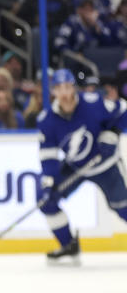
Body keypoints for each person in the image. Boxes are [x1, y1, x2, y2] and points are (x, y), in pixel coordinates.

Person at [37, 68, 127, 263]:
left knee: (123, 209)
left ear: (74, 89)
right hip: (76, 168)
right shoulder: (46, 120)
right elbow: (48, 157)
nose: (65, 93)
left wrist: (112, 133)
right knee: (45, 201)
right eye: (59, 88)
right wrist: (49, 183)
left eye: (68, 87)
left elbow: (124, 110)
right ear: (53, 92)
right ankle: (68, 245)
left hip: (106, 167)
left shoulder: (93, 103)